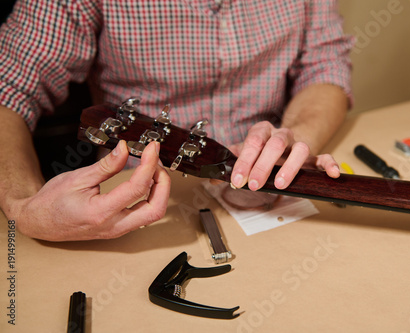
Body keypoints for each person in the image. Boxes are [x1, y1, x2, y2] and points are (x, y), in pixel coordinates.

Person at [0, 0, 353, 241]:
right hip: (138, 207)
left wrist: (293, 140)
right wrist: (22, 205)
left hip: (273, 195)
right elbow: (9, 85)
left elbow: (325, 62)